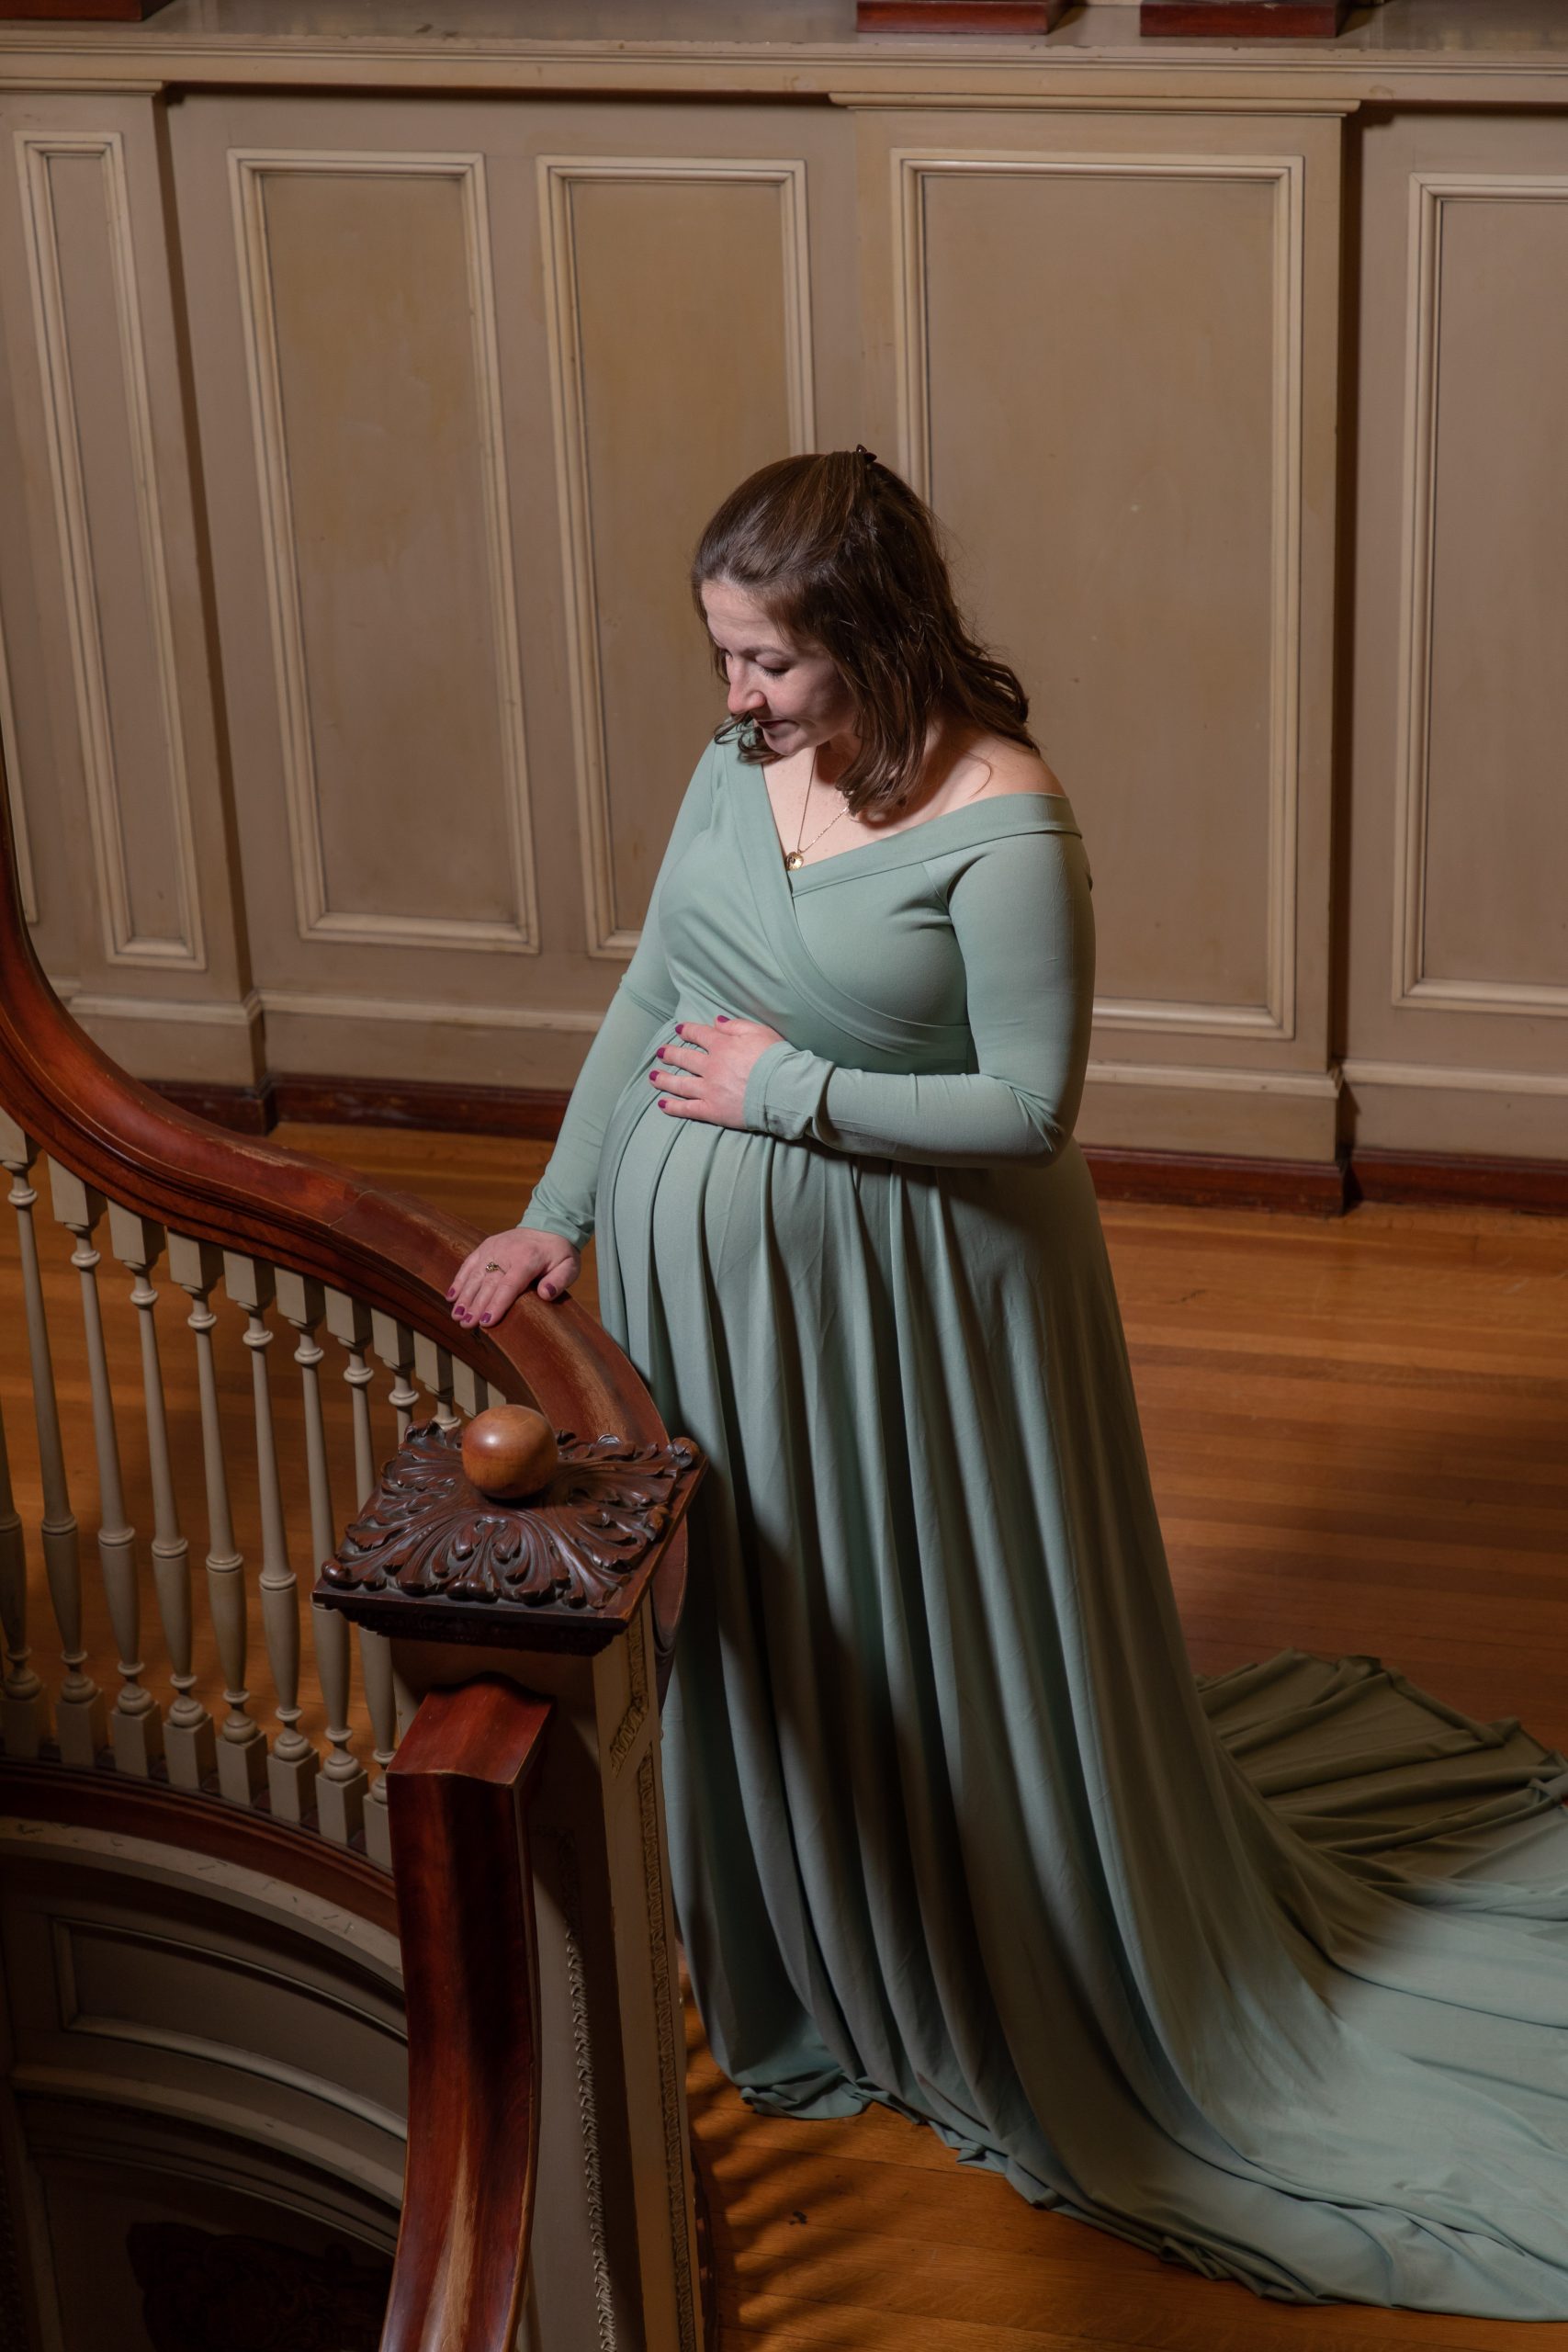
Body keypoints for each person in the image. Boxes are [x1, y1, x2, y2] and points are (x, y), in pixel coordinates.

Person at [449, 449, 1568, 2319]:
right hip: (712, 1319)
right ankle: (805, 1937)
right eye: (722, 653)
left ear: (873, 633)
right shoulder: (738, 764)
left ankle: (965, 1943)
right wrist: (555, 1212)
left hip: (920, 1317)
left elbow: (1028, 1108)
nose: (736, 693)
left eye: (771, 660)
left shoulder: (1006, 819)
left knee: (911, 1622)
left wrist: (781, 1094)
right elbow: (656, 990)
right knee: (767, 1619)